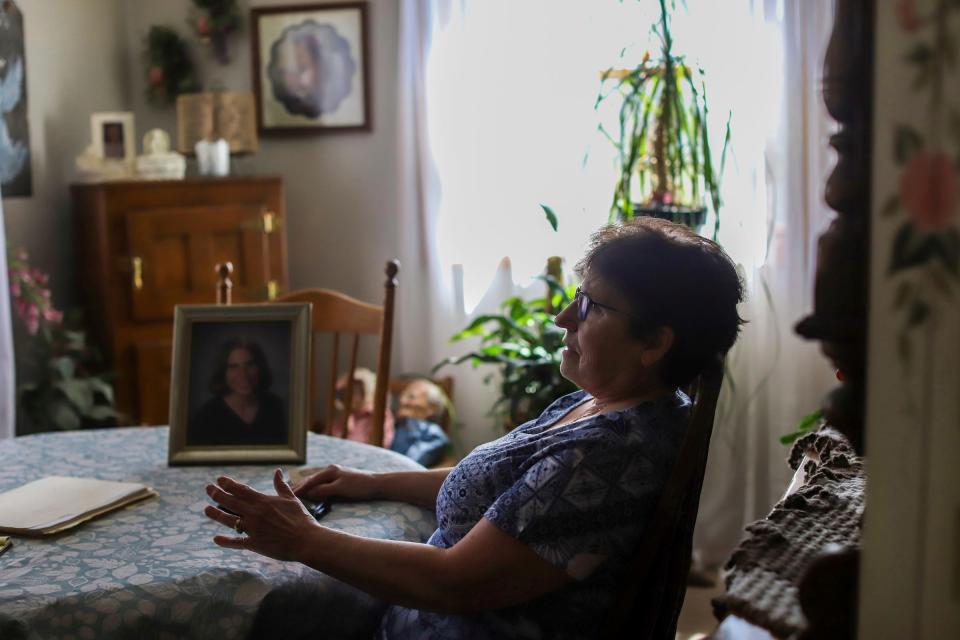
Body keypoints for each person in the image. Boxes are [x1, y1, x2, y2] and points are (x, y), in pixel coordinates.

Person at [203, 217, 744, 638]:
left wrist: (304, 539)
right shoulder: (604, 406)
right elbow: (514, 492)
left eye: (592, 305)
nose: (563, 319)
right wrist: (375, 482)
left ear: (655, 343)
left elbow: (454, 582)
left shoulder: (610, 456)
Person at [189, 337, 287, 446]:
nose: (243, 374)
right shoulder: (205, 417)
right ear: (223, 373)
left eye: (249, 364)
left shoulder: (277, 407)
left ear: (260, 368)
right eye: (234, 367)